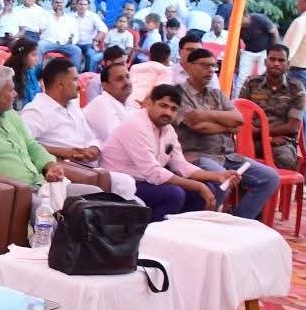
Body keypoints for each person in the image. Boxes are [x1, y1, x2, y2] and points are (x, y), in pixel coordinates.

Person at [0, 65, 97, 201]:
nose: (15, 94)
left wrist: (50, 165)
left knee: (95, 195)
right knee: (59, 214)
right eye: (11, 90)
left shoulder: (10, 115)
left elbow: (31, 145)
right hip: (13, 193)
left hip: (41, 184)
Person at [100, 84, 239, 220]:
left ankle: (180, 232)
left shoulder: (167, 129)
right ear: (150, 104)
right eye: (163, 106)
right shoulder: (136, 125)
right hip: (121, 184)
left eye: (173, 109)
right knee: (174, 194)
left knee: (203, 190)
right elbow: (153, 172)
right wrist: (198, 186)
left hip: (145, 180)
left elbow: (180, 165)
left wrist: (218, 176)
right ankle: (150, 233)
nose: (168, 112)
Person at [173, 46, 281, 221]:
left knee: (270, 178)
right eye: (205, 65)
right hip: (199, 155)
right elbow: (198, 126)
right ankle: (201, 224)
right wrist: (227, 126)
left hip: (227, 155)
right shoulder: (178, 94)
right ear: (189, 67)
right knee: (222, 180)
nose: (211, 70)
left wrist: (205, 114)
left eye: (213, 66)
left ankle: (235, 221)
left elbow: (238, 119)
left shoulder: (216, 94)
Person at [20, 58, 136, 198]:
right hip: (63, 168)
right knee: (125, 183)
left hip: (89, 166)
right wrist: (65, 152)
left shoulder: (72, 106)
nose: (79, 85)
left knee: (133, 193)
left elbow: (91, 136)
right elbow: (23, 144)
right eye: (75, 80)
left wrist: (93, 149)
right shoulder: (36, 111)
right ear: (61, 84)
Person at [239, 44, 306, 171]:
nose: (276, 63)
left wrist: (261, 132)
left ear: (288, 64)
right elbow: (240, 118)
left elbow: (292, 126)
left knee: (286, 160)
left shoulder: (296, 88)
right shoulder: (251, 83)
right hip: (252, 139)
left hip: (281, 142)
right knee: (227, 156)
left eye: (281, 60)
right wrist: (267, 137)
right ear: (265, 61)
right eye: (272, 59)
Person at [84, 59, 136, 142]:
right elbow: (115, 140)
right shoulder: (101, 103)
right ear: (105, 85)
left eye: (127, 77)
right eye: (119, 79)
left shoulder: (129, 103)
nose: (127, 82)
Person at [4, 38, 41, 108]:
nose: (37, 59)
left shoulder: (30, 71)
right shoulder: (10, 76)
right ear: (23, 56)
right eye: (34, 55)